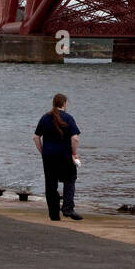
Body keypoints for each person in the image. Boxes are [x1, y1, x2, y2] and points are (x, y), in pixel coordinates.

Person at [34, 93, 81, 221]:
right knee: (69, 180)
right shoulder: (69, 118)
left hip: (49, 156)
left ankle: (54, 214)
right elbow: (75, 138)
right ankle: (67, 208)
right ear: (64, 104)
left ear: (54, 103)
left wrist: (42, 151)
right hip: (65, 155)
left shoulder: (45, 118)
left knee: (50, 184)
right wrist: (74, 153)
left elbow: (36, 137)